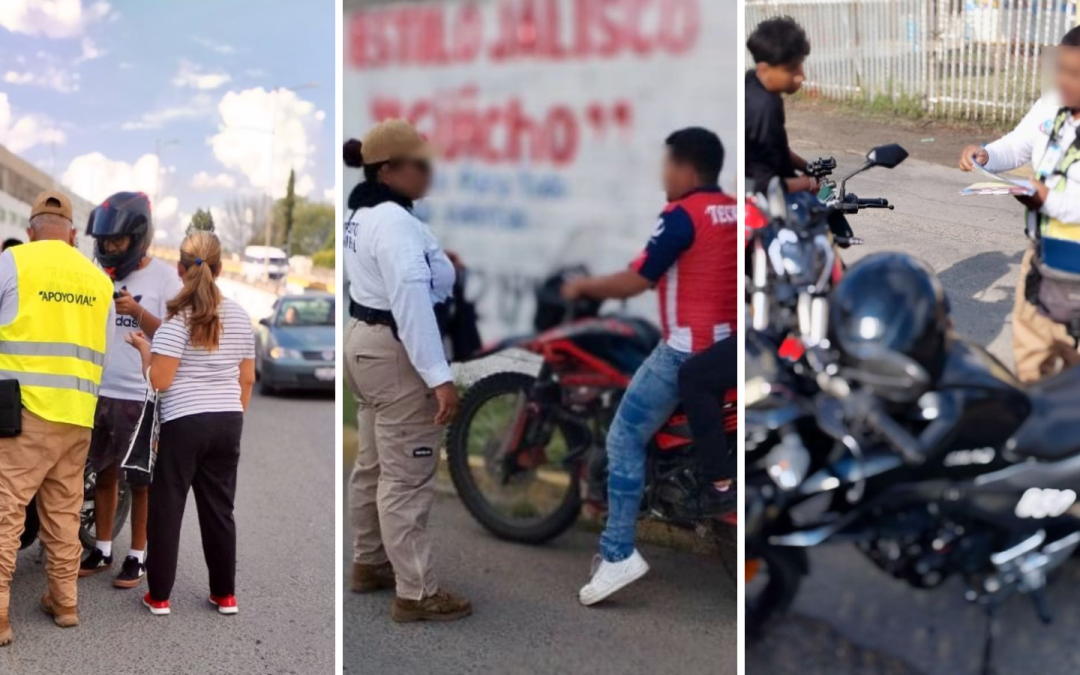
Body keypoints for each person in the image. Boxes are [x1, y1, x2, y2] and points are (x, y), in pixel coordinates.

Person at [562, 127, 737, 606]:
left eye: (666, 164)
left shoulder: (681, 216)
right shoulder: (733, 210)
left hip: (685, 350)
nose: (662, 174)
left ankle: (618, 554)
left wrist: (583, 289)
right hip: (728, 346)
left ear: (685, 168)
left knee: (622, 438)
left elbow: (639, 279)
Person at [343, 119, 471, 623]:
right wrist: (439, 378)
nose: (428, 172)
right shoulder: (394, 223)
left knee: (373, 465)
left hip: (367, 344)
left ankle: (369, 562)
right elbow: (412, 301)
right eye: (419, 164)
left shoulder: (364, 214)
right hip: (397, 352)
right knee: (407, 478)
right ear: (388, 169)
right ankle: (416, 593)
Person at [0, 190, 115, 642]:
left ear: (30, 231)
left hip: (23, 414)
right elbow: (101, 350)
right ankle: (64, 603)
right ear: (71, 235)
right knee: (64, 514)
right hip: (77, 415)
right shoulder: (97, 279)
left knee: (6, 512)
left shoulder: (13, 263)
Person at [125, 231, 256, 616]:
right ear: (220, 269)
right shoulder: (240, 316)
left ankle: (160, 596)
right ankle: (225, 595)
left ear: (181, 269)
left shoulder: (177, 321)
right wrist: (230, 417)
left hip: (184, 422)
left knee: (167, 509)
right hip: (228, 421)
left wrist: (143, 349)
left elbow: (159, 381)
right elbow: (246, 379)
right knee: (220, 510)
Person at [959, 27, 1080, 382]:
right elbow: (1016, 145)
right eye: (1060, 69)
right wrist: (985, 154)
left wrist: (1046, 199)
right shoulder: (1052, 105)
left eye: (1074, 74)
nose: (1062, 81)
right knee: (1031, 363)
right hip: (1042, 257)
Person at [79, 192, 182, 588]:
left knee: (140, 481)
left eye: (117, 241)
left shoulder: (164, 278)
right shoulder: (95, 272)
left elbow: (177, 334)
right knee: (103, 475)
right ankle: (103, 548)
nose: (108, 248)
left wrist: (138, 313)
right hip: (98, 391)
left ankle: (137, 556)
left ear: (137, 236)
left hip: (140, 393)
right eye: (104, 241)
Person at [745, 16, 817, 194]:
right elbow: (763, 186)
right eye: (791, 69)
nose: (801, 76)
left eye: (800, 66)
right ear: (764, 69)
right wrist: (809, 183)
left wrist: (807, 167)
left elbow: (774, 148)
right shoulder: (763, 107)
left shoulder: (753, 82)